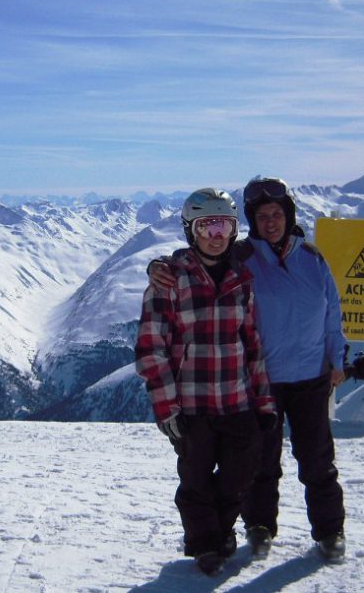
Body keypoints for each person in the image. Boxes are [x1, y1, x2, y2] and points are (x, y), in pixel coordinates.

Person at [148, 176, 348, 563]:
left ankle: (329, 529)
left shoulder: (313, 258)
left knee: (318, 459)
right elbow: (199, 259)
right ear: (252, 222)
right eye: (262, 216)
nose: (270, 222)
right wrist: (159, 266)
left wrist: (337, 359)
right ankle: (260, 525)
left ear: (288, 216)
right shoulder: (241, 257)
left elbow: (332, 314)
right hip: (262, 379)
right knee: (261, 462)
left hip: (311, 375)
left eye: (276, 214)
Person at [135, 188, 276, 576]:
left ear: (234, 230)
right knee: (195, 478)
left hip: (236, 398)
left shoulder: (240, 279)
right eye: (206, 226)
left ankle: (221, 531)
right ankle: (206, 545)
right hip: (190, 402)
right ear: (191, 231)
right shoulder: (169, 281)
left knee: (240, 473)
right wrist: (167, 408)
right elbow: (151, 348)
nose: (216, 235)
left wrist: (264, 402)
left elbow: (252, 344)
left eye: (224, 226)